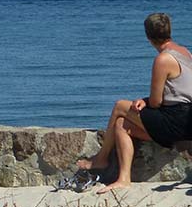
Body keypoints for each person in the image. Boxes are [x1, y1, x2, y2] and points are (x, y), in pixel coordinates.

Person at [77, 13, 192, 193]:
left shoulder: (163, 59)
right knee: (122, 124)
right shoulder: (184, 52)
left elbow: (155, 102)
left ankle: (101, 158)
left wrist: (146, 101)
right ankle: (124, 179)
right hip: (186, 121)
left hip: (176, 123)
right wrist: (145, 101)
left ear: (148, 36)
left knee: (120, 106)